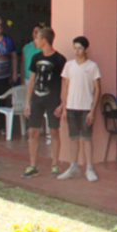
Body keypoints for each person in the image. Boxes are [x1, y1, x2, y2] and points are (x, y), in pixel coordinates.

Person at [23, 28, 66, 178]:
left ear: (44, 40)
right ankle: (33, 165)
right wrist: (27, 103)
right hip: (37, 99)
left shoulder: (60, 59)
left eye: (38, 38)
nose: (35, 40)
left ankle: (55, 164)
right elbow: (32, 81)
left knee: (54, 131)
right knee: (33, 131)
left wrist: (62, 104)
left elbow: (65, 84)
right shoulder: (35, 58)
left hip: (53, 99)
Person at [57, 36, 102, 182]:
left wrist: (92, 111)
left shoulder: (92, 66)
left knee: (86, 139)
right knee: (73, 138)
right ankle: (73, 167)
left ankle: (89, 168)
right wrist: (64, 107)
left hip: (86, 108)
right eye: (75, 48)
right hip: (71, 107)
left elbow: (97, 89)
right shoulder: (69, 65)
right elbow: (65, 87)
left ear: (85, 49)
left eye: (80, 48)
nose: (77, 51)